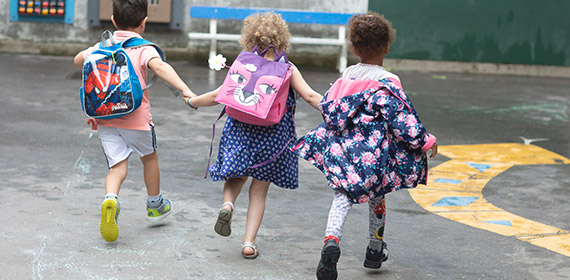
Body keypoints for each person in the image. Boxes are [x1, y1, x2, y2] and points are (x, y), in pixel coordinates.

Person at [290, 12, 438, 279]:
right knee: (378, 197)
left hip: (343, 151)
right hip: (374, 156)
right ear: (387, 47)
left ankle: (331, 241)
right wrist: (425, 141)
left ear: (354, 47)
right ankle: (374, 249)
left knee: (342, 197)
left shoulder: (347, 76)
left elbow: (330, 108)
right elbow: (402, 120)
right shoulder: (389, 82)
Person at [184, 12, 323, 259]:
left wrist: (192, 101)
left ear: (249, 39)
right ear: (282, 40)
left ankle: (227, 204)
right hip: (273, 137)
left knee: (235, 178)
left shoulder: (243, 64)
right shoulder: (287, 69)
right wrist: (339, 110)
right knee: (259, 191)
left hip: (240, 131)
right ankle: (248, 243)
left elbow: (218, 96)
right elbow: (311, 97)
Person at [73, 0, 197, 242]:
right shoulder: (143, 49)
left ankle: (111, 198)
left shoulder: (102, 46)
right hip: (137, 119)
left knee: (117, 167)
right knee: (149, 158)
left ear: (113, 21)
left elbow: (79, 60)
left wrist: (94, 51)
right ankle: (155, 205)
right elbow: (160, 67)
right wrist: (185, 90)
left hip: (106, 118)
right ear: (144, 22)